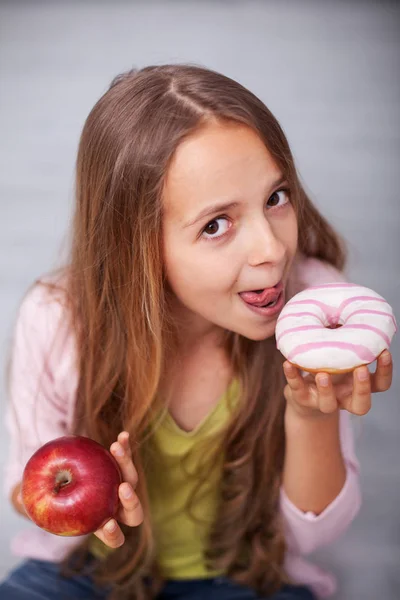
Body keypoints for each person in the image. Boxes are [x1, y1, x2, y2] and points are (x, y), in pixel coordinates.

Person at [1, 64, 393, 600]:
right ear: (134, 243)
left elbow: (312, 534)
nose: (272, 250)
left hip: (244, 576)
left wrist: (310, 416)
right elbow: (26, 487)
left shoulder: (314, 308)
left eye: (276, 197)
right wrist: (91, 504)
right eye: (216, 224)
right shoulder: (56, 318)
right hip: (85, 572)